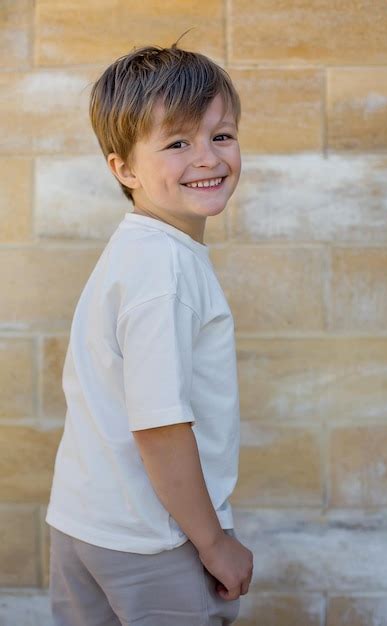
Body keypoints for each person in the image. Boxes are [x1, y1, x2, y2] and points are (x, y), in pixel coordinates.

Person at [45, 30, 253, 626]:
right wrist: (214, 543)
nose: (209, 157)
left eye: (222, 135)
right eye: (178, 142)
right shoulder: (164, 268)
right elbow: (160, 427)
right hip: (151, 541)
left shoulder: (137, 250)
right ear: (123, 168)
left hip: (84, 522)